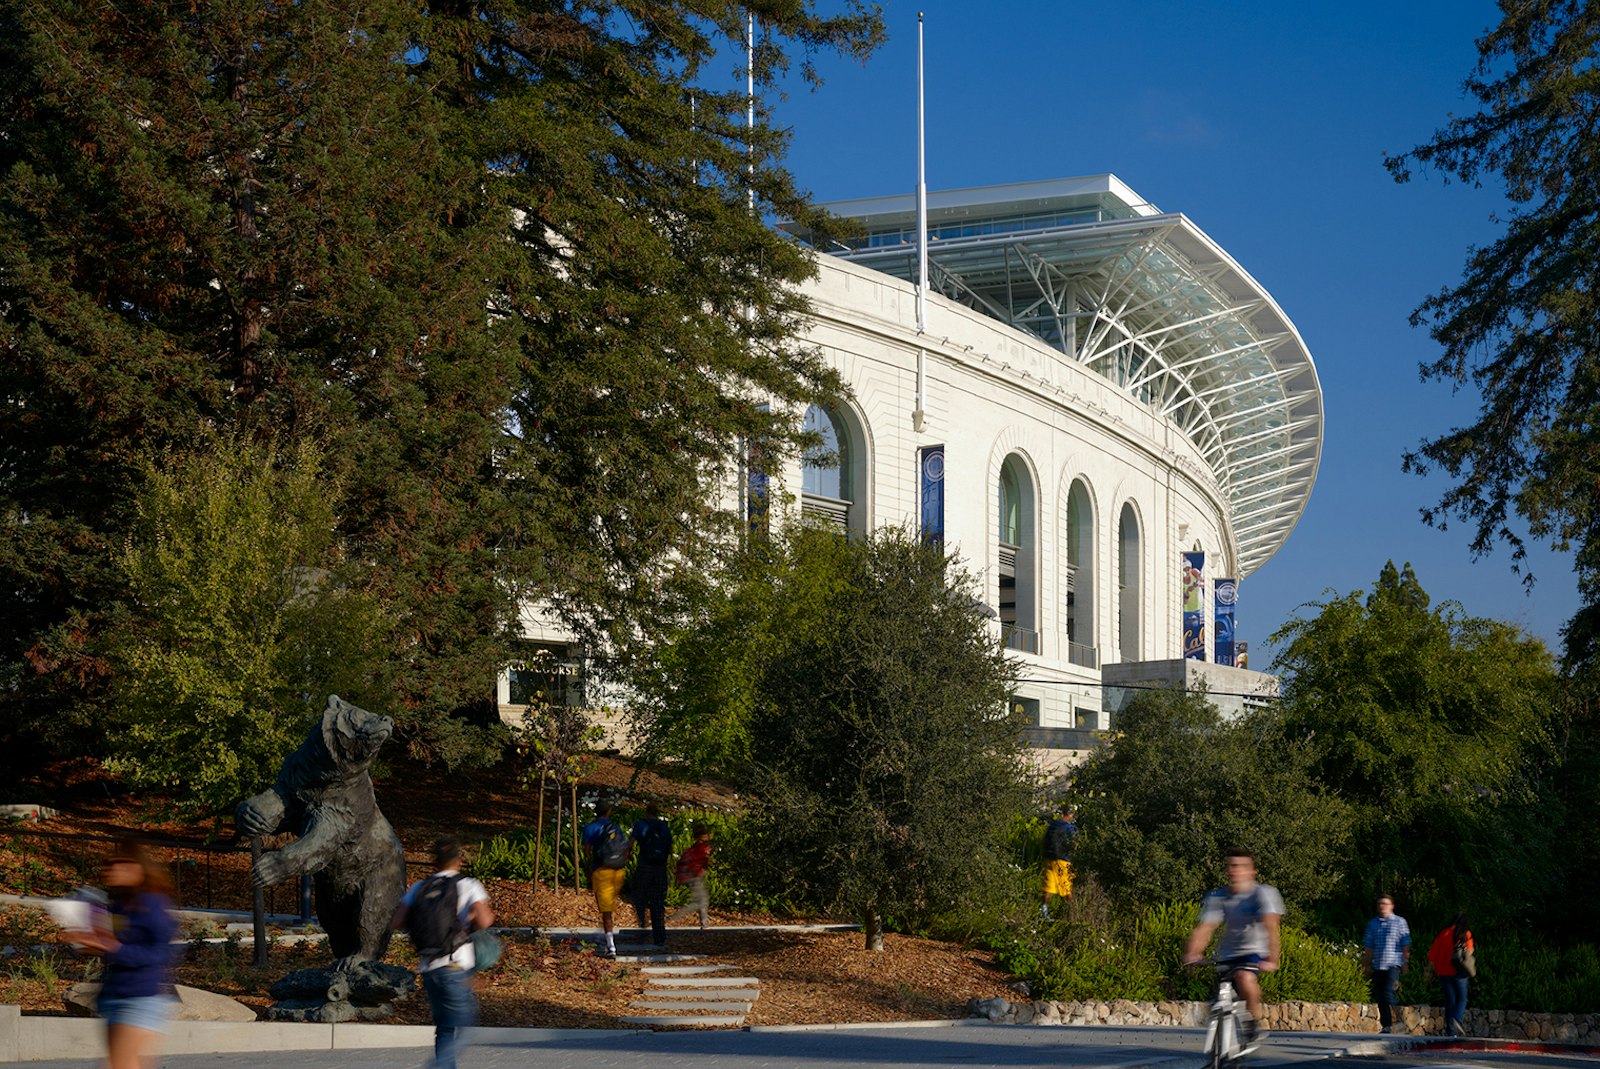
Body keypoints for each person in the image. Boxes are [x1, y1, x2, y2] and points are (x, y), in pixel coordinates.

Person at [72, 840, 178, 1069]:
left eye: (121, 865)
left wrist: (112, 947)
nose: (113, 871)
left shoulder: (153, 905)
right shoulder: (118, 906)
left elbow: (160, 953)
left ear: (139, 868)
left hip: (141, 999)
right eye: (110, 865)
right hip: (114, 996)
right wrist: (85, 941)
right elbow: (111, 946)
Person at [391, 837, 494, 1069]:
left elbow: (397, 921)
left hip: (429, 968)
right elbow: (486, 920)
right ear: (459, 860)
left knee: (445, 1028)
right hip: (455, 967)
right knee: (466, 1028)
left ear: (434, 861)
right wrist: (469, 922)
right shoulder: (468, 885)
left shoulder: (419, 887)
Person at [1182, 848, 1283, 1053]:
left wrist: (1272, 959)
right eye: (1231, 866)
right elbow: (1205, 928)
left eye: (1241, 866)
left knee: (1244, 977)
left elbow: (1271, 927)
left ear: (1252, 871)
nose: (1235, 871)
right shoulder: (1219, 896)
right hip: (1226, 954)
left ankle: (1252, 1023)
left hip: (1254, 951)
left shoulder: (1263, 894)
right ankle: (1218, 1052)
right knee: (1218, 1001)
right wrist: (1193, 952)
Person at [580, 799, 631, 958]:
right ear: (609, 811)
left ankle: (610, 947)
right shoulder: (615, 827)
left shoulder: (590, 828)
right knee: (607, 908)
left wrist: (589, 867)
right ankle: (603, 934)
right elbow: (625, 848)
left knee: (606, 912)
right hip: (618, 872)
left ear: (596, 811)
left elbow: (586, 851)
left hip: (601, 871)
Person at [1361, 894, 1411, 1034]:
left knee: (1388, 993)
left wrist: (1405, 962)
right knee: (1380, 995)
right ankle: (1387, 1025)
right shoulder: (1373, 924)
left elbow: (1405, 943)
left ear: (1392, 906)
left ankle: (1399, 1020)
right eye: (1380, 904)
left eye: (1385, 903)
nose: (1382, 906)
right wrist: (1366, 965)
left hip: (1393, 964)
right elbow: (1369, 946)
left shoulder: (1399, 922)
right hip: (1378, 965)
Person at [629, 802, 673, 948]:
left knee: (638, 897)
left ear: (646, 812)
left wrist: (627, 856)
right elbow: (670, 849)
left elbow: (630, 844)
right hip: (660, 868)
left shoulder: (640, 825)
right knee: (658, 902)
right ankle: (659, 936)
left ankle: (643, 925)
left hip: (645, 867)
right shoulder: (664, 827)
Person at [1427, 913, 1474, 1036]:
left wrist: (1429, 972)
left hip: (1443, 972)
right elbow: (1469, 952)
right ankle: (1456, 1020)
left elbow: (1432, 956)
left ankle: (1450, 1031)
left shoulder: (1442, 934)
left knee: (1450, 1001)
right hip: (1459, 972)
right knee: (1462, 999)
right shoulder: (1465, 934)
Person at [670, 823, 713, 930]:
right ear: (702, 836)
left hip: (690, 875)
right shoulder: (700, 847)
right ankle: (673, 917)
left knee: (702, 900)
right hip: (693, 875)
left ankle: (704, 924)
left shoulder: (696, 847)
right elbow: (703, 860)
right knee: (701, 901)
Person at [1041, 805, 1077, 917]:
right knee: (1067, 890)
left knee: (1048, 888)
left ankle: (1044, 913)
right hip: (1062, 861)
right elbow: (1074, 844)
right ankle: (1073, 915)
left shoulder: (1052, 825)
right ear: (1069, 814)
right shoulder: (1069, 828)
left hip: (1048, 859)